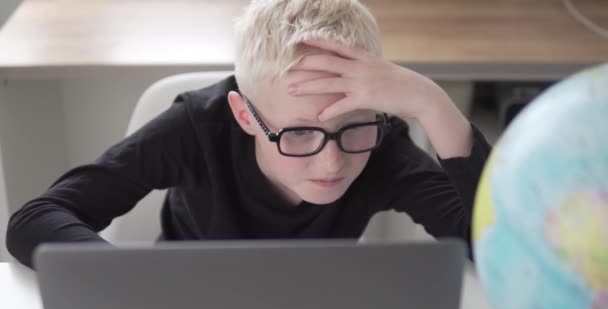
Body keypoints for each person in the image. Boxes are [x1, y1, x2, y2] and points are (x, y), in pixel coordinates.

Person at [6, 0, 491, 269]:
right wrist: (129, 282)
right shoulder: (197, 129)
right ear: (243, 116)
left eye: (351, 127)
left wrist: (433, 103)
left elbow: (490, 246)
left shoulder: (378, 140)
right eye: (299, 134)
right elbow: (36, 219)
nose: (332, 163)